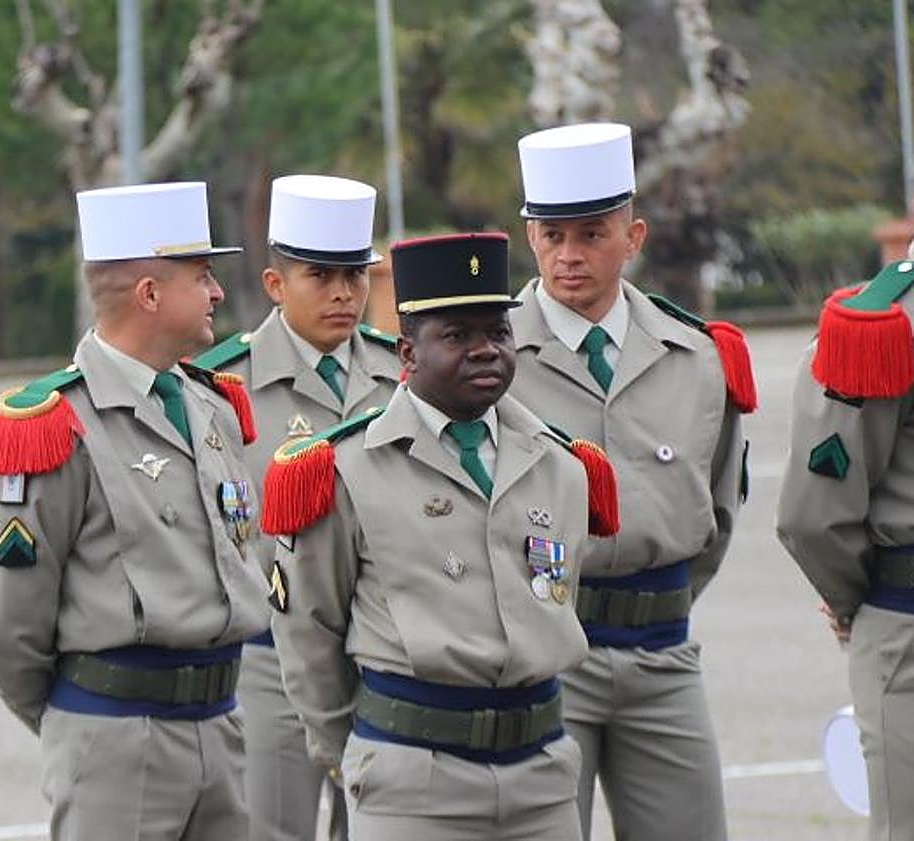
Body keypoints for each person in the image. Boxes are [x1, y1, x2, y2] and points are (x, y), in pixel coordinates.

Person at [265, 231, 620, 841]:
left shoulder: (564, 465)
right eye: (458, 336)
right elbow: (309, 632)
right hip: (412, 780)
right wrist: (354, 753)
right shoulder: (347, 467)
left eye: (498, 333)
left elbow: (561, 599)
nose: (486, 351)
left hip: (541, 774)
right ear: (407, 352)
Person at [0, 181, 270, 841]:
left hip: (220, 723)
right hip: (116, 737)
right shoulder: (56, 424)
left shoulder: (211, 406)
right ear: (150, 294)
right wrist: (80, 721)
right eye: (202, 275)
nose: (218, 292)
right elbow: (6, 624)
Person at [507, 122, 756, 841]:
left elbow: (715, 511)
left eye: (591, 234)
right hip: (549, 653)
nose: (569, 255)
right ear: (530, 238)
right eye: (551, 236)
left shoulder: (697, 357)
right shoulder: (491, 362)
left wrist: (657, 598)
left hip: (662, 652)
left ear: (633, 235)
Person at [194, 173, 400, 841]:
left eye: (355, 274)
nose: (343, 293)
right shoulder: (223, 389)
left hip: (380, 652)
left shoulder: (401, 377)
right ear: (277, 284)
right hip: (271, 660)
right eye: (321, 275)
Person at [777, 254, 914, 841]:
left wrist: (856, 604)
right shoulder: (879, 324)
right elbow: (816, 517)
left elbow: (814, 518)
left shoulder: (887, 318)